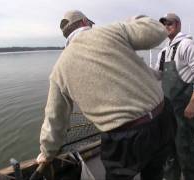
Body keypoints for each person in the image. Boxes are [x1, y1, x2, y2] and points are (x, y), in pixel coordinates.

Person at [36, 10, 176, 180]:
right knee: (155, 173)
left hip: (122, 139)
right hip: (162, 118)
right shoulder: (112, 31)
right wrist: (133, 18)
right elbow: (158, 31)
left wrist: (47, 152)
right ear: (84, 23)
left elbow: (54, 120)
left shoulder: (58, 71)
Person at [153, 13, 194, 180]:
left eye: (170, 23)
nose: (167, 26)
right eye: (164, 24)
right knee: (169, 149)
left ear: (178, 24)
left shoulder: (187, 45)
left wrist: (193, 103)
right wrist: (137, 66)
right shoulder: (163, 51)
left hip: (185, 108)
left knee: (188, 149)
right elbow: (157, 74)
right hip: (168, 109)